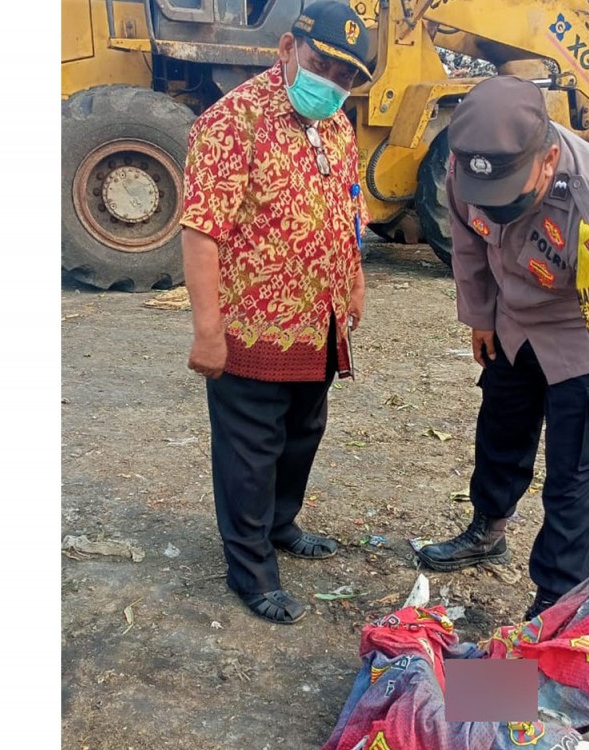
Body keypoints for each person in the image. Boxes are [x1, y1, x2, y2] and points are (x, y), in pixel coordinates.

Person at [413, 76, 589, 621]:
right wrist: (480, 315)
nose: (499, 212)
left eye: (513, 200)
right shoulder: (466, 165)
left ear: (549, 160)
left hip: (582, 337)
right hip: (512, 323)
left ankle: (554, 602)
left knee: (575, 476)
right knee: (500, 433)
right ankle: (488, 529)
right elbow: (466, 242)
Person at [179, 0, 372, 625]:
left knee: (301, 435)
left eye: (346, 78)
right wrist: (208, 331)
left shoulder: (338, 126)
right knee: (251, 449)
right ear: (287, 47)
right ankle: (252, 568)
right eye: (324, 68)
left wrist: (354, 281)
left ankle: (282, 522)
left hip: (317, 325)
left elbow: (349, 210)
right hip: (251, 327)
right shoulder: (232, 122)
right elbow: (202, 232)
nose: (333, 86)